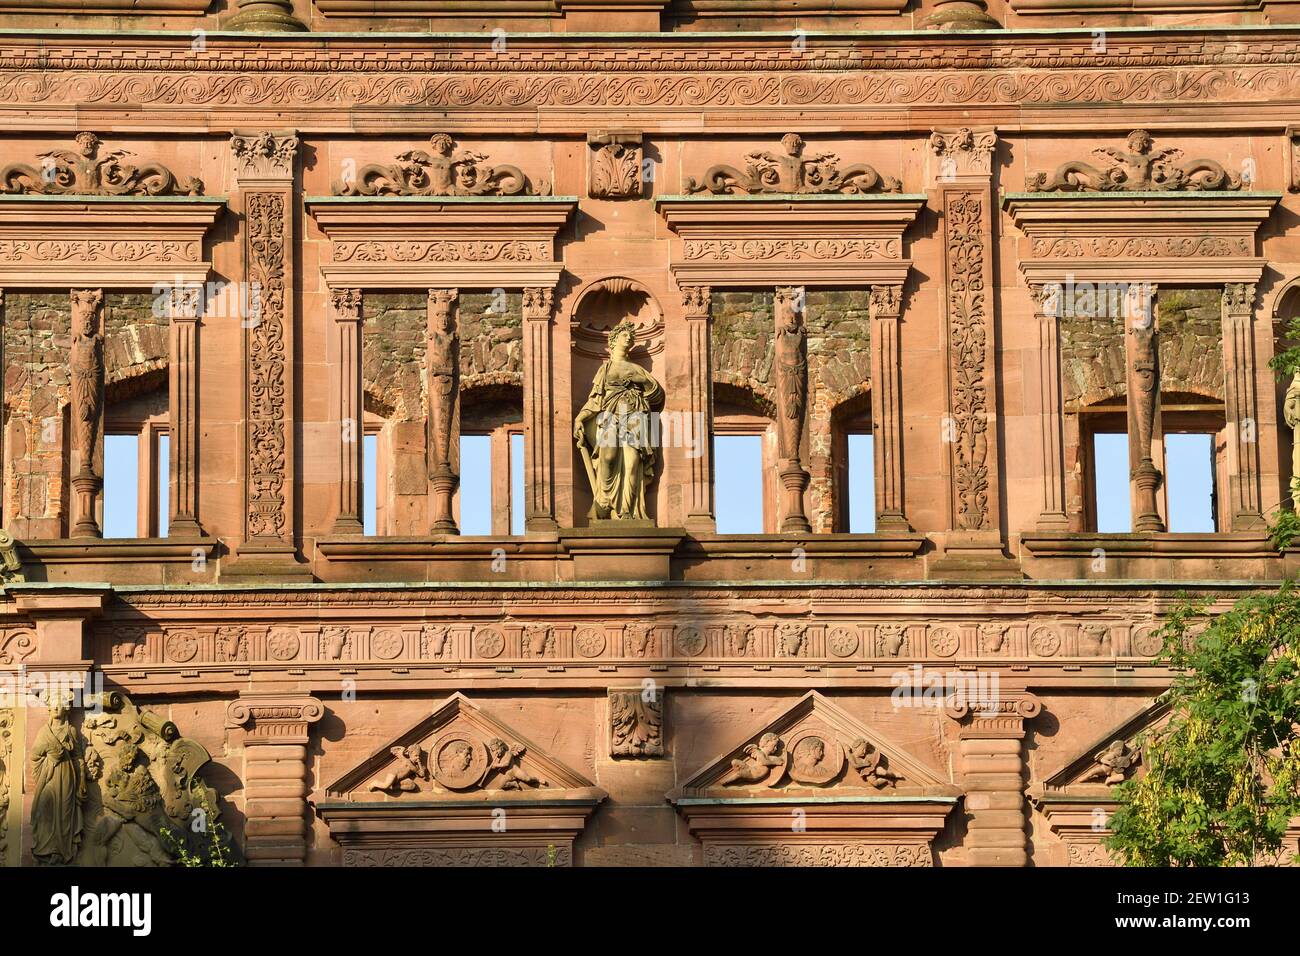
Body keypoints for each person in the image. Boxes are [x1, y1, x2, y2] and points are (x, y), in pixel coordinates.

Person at [573, 320, 664, 520]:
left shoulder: (637, 369)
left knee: (633, 464)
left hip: (635, 416)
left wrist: (644, 381)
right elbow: (595, 399)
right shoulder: (605, 369)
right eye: (625, 335)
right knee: (608, 457)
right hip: (610, 415)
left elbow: (658, 397)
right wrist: (580, 418)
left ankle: (627, 511)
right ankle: (603, 500)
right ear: (614, 340)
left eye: (631, 336)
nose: (629, 338)